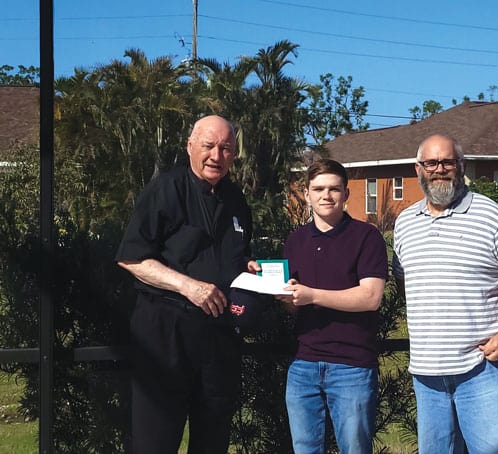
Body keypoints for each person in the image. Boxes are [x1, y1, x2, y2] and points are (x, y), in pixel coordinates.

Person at [115, 115, 261, 453]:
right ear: (190, 146)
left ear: (234, 154)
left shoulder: (237, 200)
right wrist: (188, 286)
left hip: (219, 339)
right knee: (156, 441)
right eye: (208, 146)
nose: (216, 156)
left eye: (225, 148)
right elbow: (132, 258)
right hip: (165, 335)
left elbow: (235, 257)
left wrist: (248, 269)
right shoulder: (165, 189)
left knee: (213, 440)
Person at [392, 134, 498, 454]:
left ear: (461, 166)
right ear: (418, 169)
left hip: (482, 368)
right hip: (426, 374)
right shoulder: (404, 223)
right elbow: (406, 279)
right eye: (431, 162)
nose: (439, 169)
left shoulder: (492, 216)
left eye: (447, 162)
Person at [276, 159, 388, 454]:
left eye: (334, 189)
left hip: (351, 364)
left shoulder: (367, 237)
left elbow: (370, 297)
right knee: (305, 449)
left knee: (354, 449)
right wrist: (281, 295)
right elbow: (294, 305)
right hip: (303, 364)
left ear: (346, 194)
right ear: (307, 194)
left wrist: (312, 295)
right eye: (319, 189)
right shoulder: (295, 240)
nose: (326, 195)